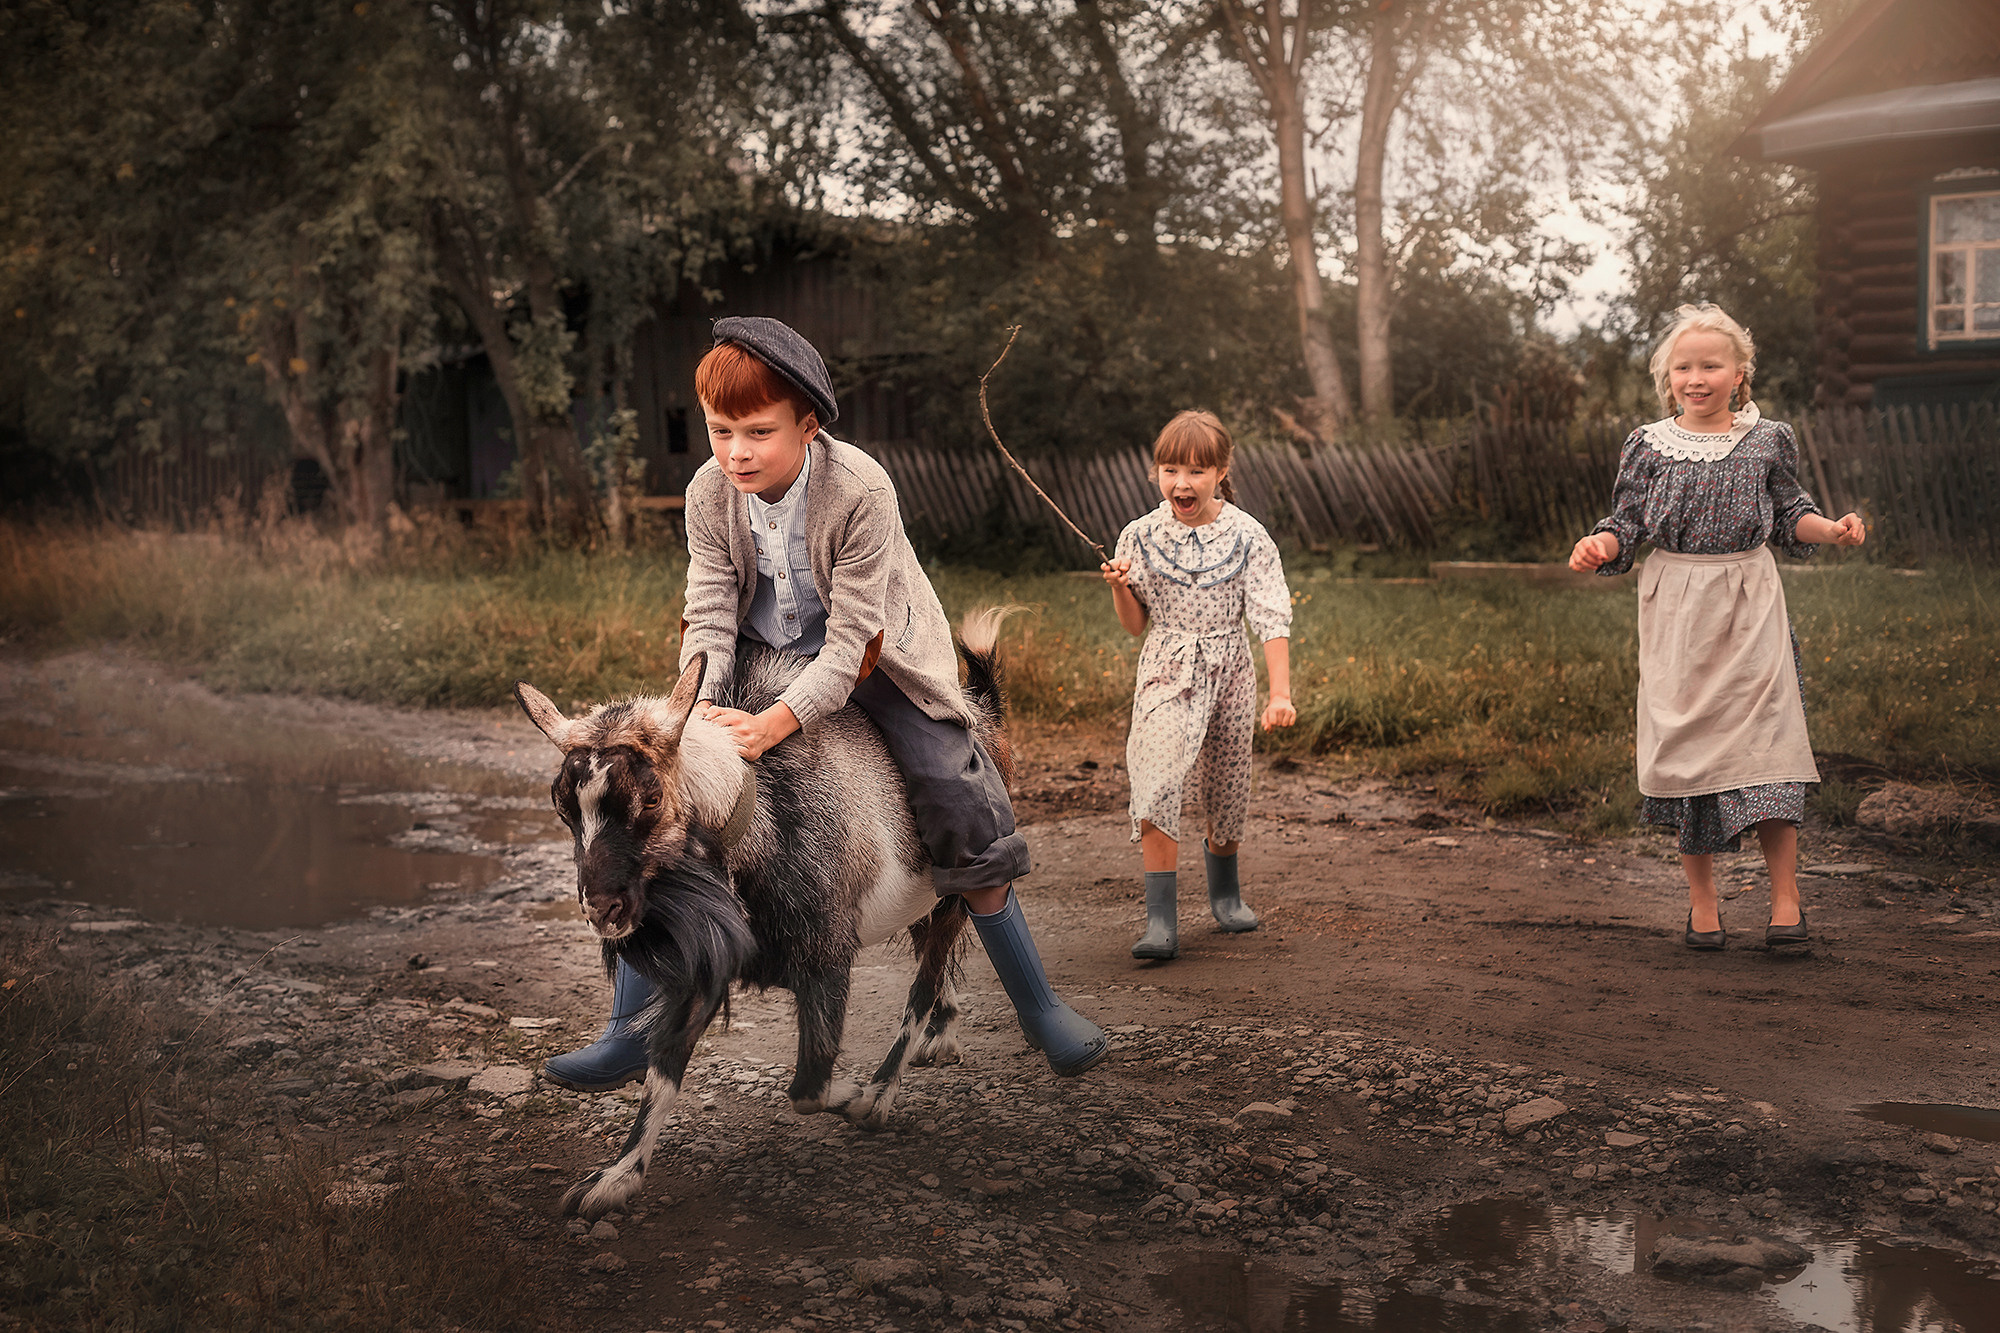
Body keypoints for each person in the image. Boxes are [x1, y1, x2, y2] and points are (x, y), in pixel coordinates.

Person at [543, 316, 1107, 1090]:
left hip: (881, 659)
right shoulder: (707, 490)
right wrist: (693, 715)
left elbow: (849, 647)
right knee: (663, 805)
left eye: (757, 431)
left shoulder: (861, 489)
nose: (735, 451)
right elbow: (708, 609)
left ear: (808, 426)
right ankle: (626, 1028)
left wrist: (777, 721)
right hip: (750, 654)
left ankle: (1039, 1006)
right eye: (719, 430)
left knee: (957, 796)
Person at [1569, 302, 1866, 951]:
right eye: (1683, 366)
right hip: (1677, 607)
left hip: (1750, 600)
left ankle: (1786, 901)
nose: (1696, 376)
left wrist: (1833, 530)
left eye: (1711, 364)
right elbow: (1627, 522)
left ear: (1740, 373)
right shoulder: (1646, 444)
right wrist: (1600, 544)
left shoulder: (1768, 437)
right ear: (1667, 376)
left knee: (1770, 739)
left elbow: (1792, 513)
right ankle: (1703, 904)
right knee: (1689, 746)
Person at [1100, 410, 1296, 962]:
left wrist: (1280, 694)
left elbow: (1271, 618)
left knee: (1227, 785)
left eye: (1195, 470)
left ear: (1221, 471)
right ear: (1156, 473)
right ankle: (1161, 922)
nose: (1181, 483)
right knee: (1158, 775)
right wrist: (1120, 587)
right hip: (1166, 666)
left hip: (1230, 669)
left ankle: (1226, 895)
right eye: (1169, 469)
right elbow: (1136, 624)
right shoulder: (1138, 534)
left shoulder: (1248, 535)